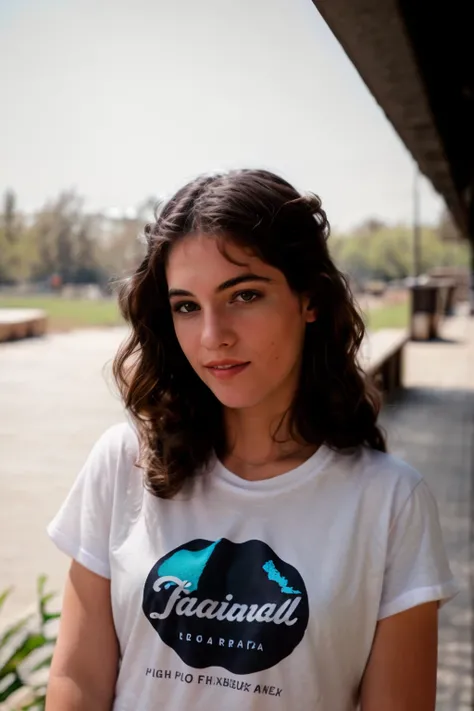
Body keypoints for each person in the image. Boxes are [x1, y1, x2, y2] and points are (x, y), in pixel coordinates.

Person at [45, 169, 458, 711]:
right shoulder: (123, 465)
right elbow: (78, 678)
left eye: (244, 294)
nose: (214, 335)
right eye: (186, 306)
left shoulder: (389, 503)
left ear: (309, 299)